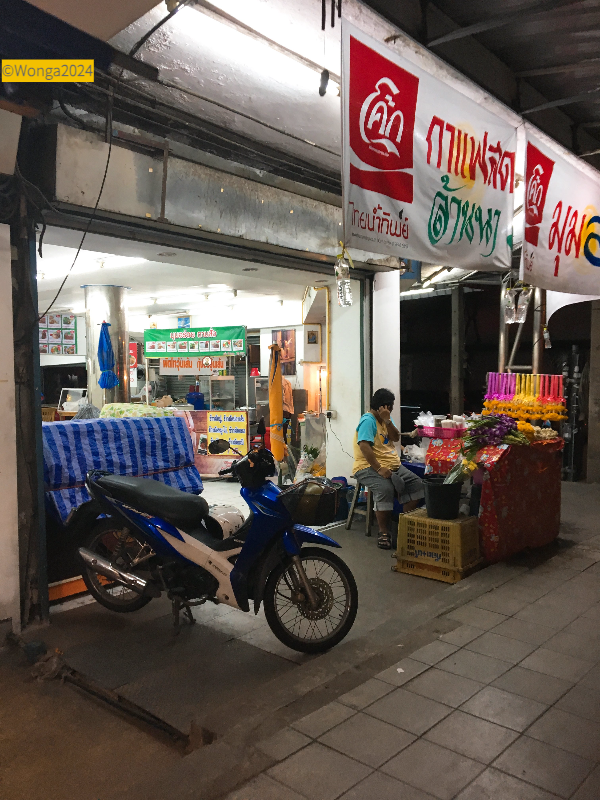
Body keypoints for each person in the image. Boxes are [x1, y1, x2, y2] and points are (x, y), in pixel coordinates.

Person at [352, 388, 424, 550]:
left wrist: (388, 421)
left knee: (417, 484)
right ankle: (384, 532)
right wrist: (379, 468)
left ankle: (403, 526)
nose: (391, 409)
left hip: (393, 465)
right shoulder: (368, 421)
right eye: (390, 406)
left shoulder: (385, 419)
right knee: (385, 488)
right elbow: (364, 446)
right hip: (367, 466)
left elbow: (396, 437)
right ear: (383, 406)